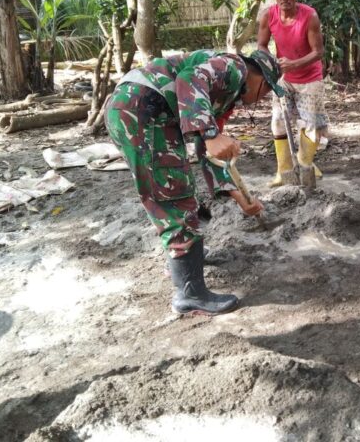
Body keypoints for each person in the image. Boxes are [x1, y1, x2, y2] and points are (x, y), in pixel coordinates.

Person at [105, 48, 284, 316]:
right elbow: (189, 79)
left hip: (146, 113)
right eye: (267, 90)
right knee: (171, 194)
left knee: (179, 186)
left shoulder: (224, 93)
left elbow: (210, 154)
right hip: (142, 110)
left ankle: (190, 260)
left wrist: (241, 199)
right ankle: (189, 294)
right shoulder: (233, 68)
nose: (263, 97)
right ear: (259, 77)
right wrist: (210, 133)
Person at [257, 0, 328, 188]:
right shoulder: (269, 16)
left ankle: (305, 164)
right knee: (278, 122)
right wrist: (271, 65)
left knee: (309, 125)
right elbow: (261, 45)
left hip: (310, 80)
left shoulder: (310, 16)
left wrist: (293, 64)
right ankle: (284, 171)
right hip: (284, 78)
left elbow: (318, 52)